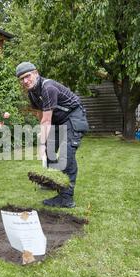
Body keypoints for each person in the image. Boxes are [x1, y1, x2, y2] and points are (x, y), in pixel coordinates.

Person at [16, 62, 89, 208]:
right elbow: (41, 116)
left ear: (36, 73)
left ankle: (66, 197)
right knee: (50, 150)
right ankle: (51, 182)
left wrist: (41, 145)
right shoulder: (32, 93)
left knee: (66, 155)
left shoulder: (48, 88)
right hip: (57, 120)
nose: (25, 81)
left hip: (73, 117)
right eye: (21, 79)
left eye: (27, 76)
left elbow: (47, 119)